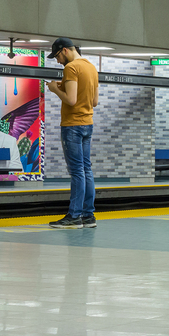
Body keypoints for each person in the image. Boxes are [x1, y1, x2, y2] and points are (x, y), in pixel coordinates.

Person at [46, 37, 99, 229]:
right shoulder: (91, 67)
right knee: (86, 169)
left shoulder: (71, 68)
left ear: (65, 51)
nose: (58, 61)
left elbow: (70, 100)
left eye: (57, 56)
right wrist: (63, 87)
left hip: (72, 126)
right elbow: (94, 102)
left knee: (77, 171)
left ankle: (74, 216)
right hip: (88, 124)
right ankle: (88, 215)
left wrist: (54, 89)